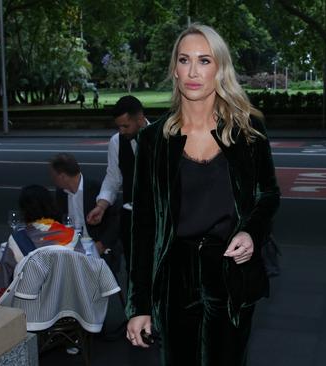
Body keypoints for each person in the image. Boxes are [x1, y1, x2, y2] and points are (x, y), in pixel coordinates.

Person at [125, 24, 280, 365]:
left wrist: (250, 232)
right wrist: (139, 306)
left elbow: (268, 194)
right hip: (174, 277)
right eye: (185, 60)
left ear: (219, 69)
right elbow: (144, 226)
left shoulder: (248, 130)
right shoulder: (153, 141)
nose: (194, 71)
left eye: (204, 60)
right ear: (175, 70)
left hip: (229, 271)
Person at [86, 95, 148, 273]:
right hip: (131, 218)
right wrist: (101, 206)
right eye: (118, 126)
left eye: (125, 126)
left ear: (140, 119)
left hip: (159, 219)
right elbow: (113, 178)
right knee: (134, 269)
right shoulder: (116, 142)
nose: (121, 131)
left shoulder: (161, 136)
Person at [0, 184, 78, 301]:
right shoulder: (72, 236)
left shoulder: (17, 240)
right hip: (65, 303)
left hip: (29, 306)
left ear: (24, 210)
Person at [49, 152, 121, 272]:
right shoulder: (61, 193)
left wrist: (101, 244)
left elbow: (116, 220)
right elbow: (57, 221)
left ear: (62, 176)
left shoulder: (98, 189)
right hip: (72, 250)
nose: (52, 179)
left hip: (98, 248)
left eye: (53, 175)